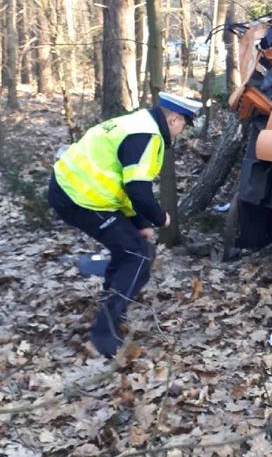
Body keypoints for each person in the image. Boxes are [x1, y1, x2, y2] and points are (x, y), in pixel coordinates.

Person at [48, 91, 202, 357]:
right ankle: (105, 335)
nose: (183, 133)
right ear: (175, 119)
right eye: (185, 126)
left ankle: (107, 301)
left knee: (136, 250)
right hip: (79, 197)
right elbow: (138, 190)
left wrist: (139, 222)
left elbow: (125, 182)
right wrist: (158, 218)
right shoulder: (147, 136)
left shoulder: (141, 122)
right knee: (137, 256)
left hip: (81, 191)